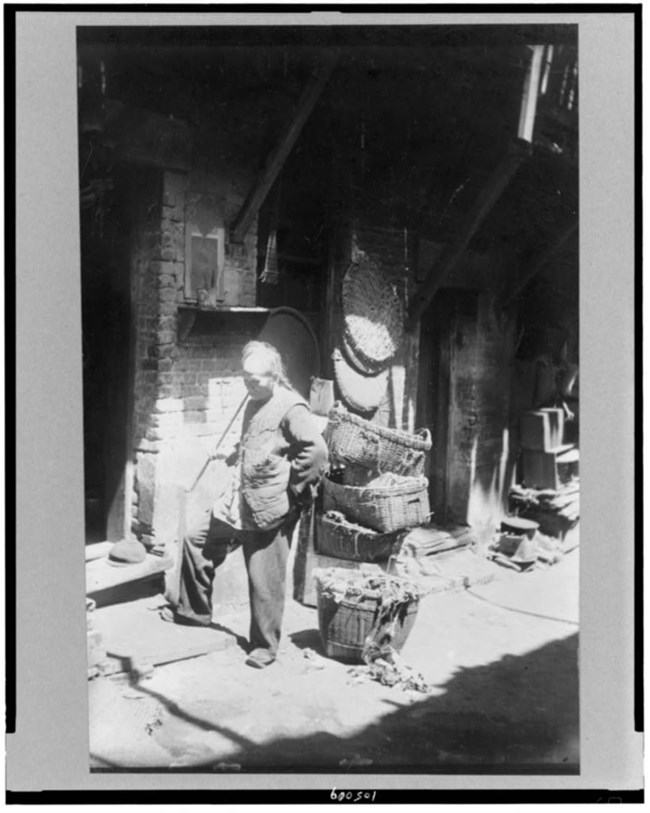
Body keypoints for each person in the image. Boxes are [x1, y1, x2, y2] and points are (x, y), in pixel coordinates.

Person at [162, 341, 329, 669]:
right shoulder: (253, 401)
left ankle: (265, 647)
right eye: (245, 378)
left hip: (270, 505)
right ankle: (194, 611)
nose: (250, 384)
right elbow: (259, 443)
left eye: (257, 379)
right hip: (238, 500)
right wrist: (232, 454)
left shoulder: (291, 408)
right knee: (196, 540)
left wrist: (292, 491)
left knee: (264, 577)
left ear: (275, 376)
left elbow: (317, 452)